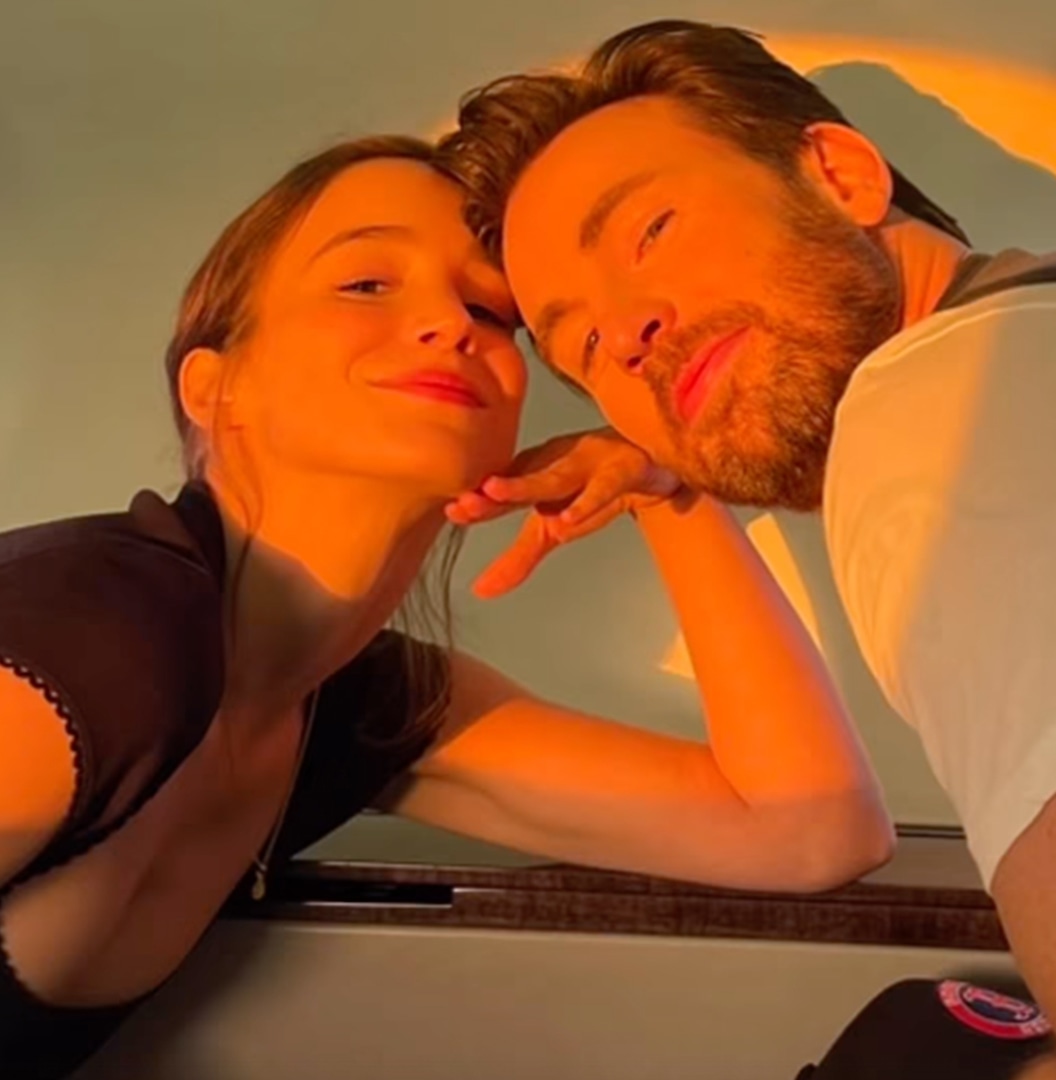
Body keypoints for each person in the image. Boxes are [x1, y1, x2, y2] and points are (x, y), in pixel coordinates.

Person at [0, 135, 892, 1079]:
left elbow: (812, 832)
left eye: (488, 310)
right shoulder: (96, 635)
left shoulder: (355, 706)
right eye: (365, 285)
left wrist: (664, 485)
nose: (448, 324)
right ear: (217, 390)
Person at [436, 18, 1056, 1077]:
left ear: (840, 175)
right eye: (582, 344)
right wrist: (668, 482)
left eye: (650, 230)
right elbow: (812, 832)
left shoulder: (935, 412)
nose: (626, 334)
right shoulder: (1041, 324)